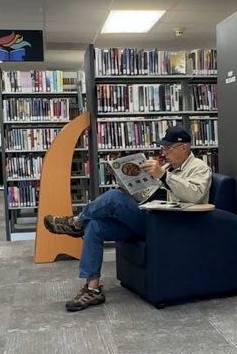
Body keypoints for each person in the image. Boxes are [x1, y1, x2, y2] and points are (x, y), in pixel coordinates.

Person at [43, 125, 212, 311]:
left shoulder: (199, 168)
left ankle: (75, 223)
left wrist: (164, 175)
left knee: (113, 198)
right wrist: (128, 183)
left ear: (184, 148)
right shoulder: (166, 167)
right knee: (95, 225)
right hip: (145, 216)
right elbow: (146, 196)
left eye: (168, 148)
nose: (164, 153)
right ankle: (93, 289)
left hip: (165, 225)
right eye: (163, 148)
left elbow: (195, 194)